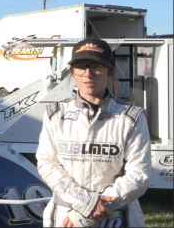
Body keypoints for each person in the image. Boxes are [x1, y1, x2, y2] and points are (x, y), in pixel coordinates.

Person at [36, 38, 151, 227]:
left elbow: (139, 175)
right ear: (72, 72)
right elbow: (47, 164)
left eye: (97, 66)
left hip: (117, 216)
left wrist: (88, 214)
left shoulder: (131, 116)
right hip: (64, 216)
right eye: (80, 66)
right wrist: (86, 204)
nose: (87, 74)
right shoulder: (55, 113)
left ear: (109, 71)